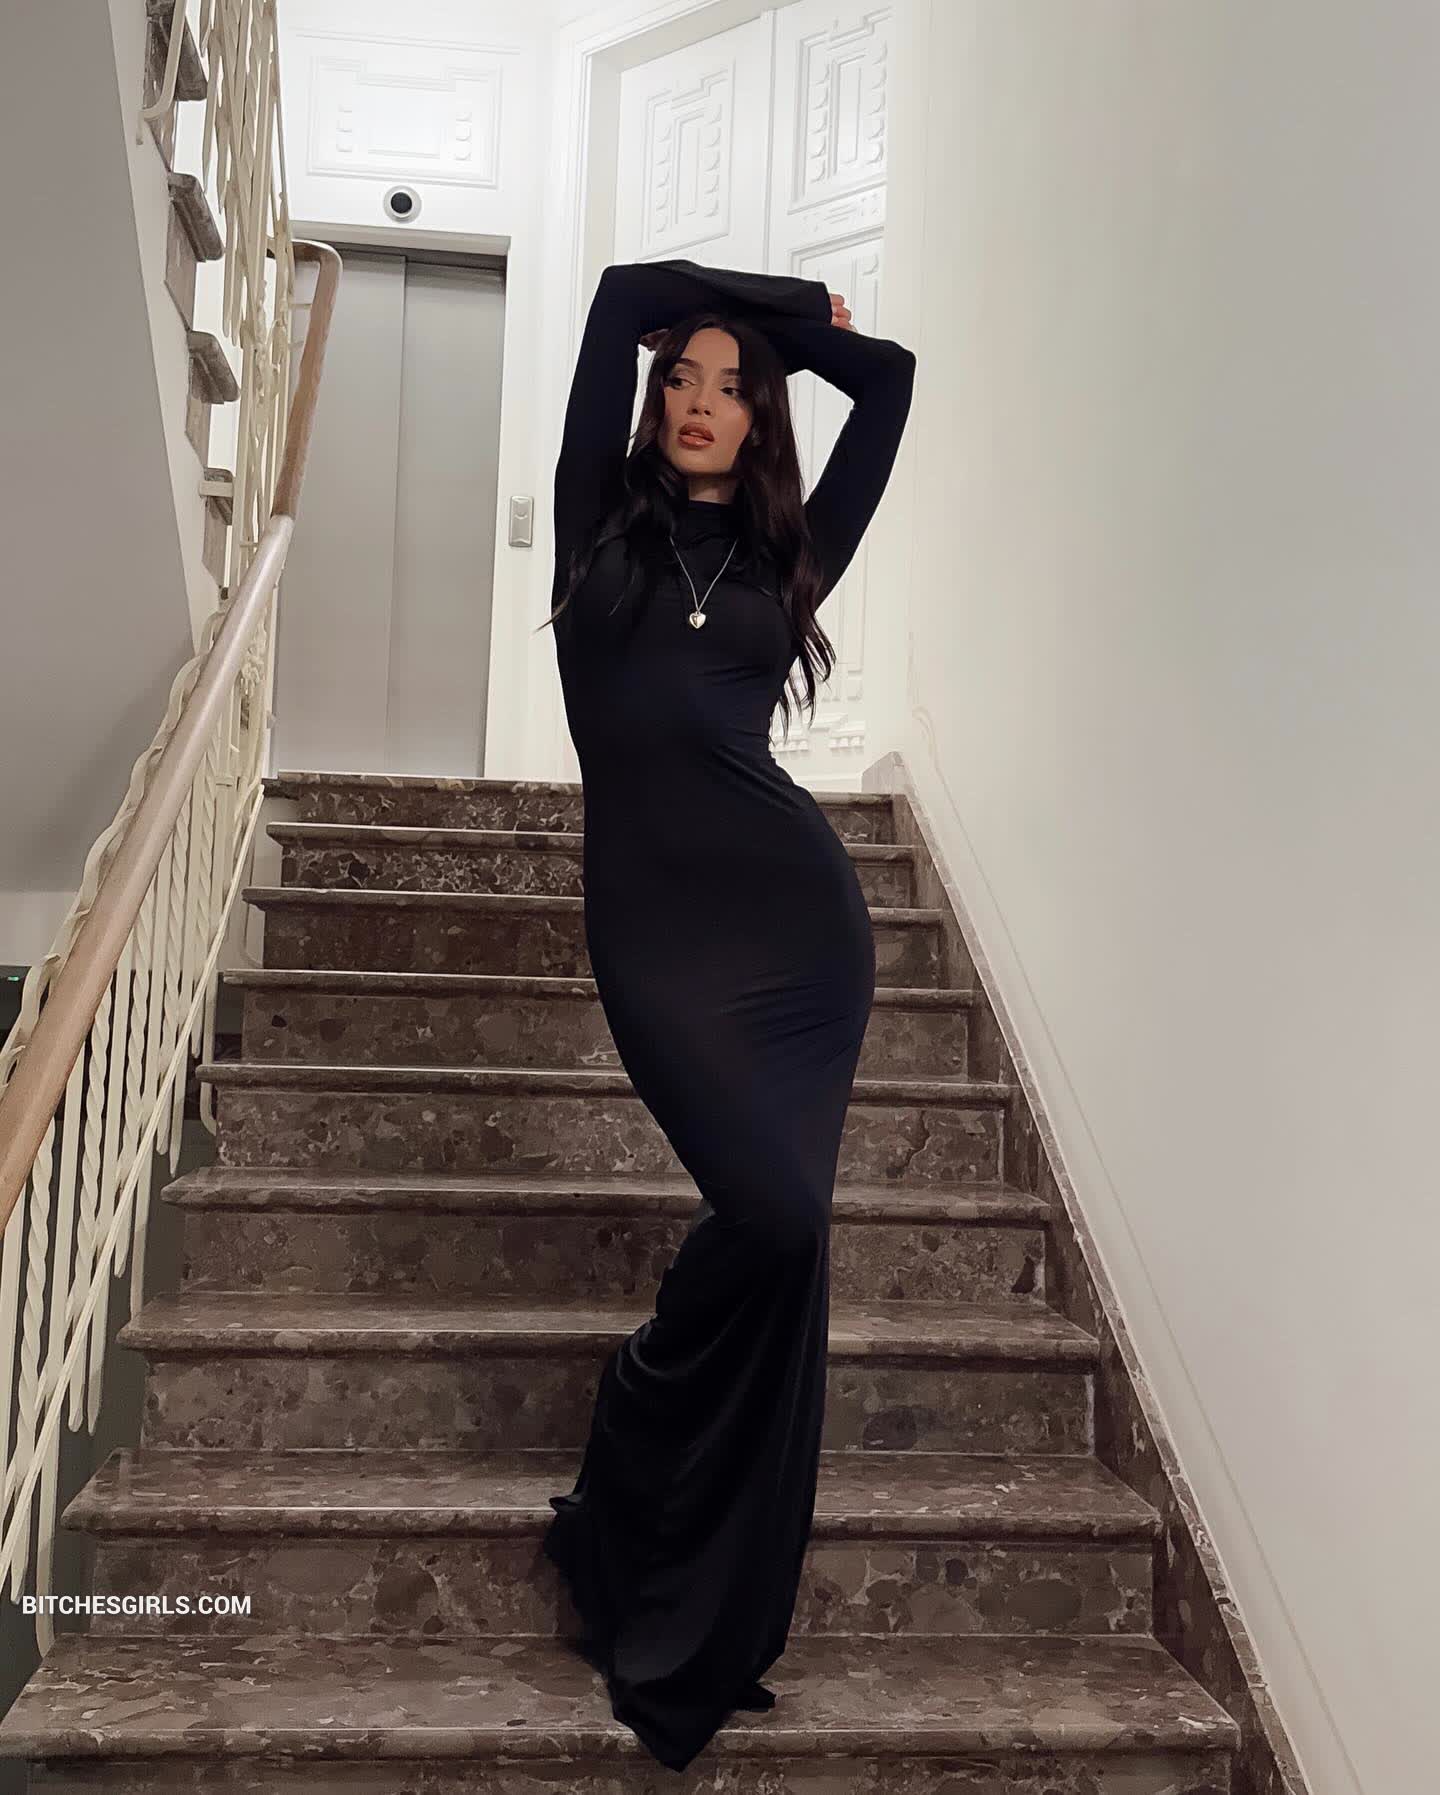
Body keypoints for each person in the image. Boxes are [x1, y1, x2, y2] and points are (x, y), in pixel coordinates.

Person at [539, 256, 916, 1771]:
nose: (702, 401)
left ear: (761, 416)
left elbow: (889, 384)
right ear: (651, 402)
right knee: (770, 1218)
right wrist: (768, 301)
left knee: (788, 1235)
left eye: (731, 387)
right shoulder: (594, 521)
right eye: (682, 379)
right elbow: (618, 293)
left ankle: (702, 1590)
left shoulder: (786, 554)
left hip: (799, 934)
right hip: (655, 936)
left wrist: (791, 343)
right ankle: (642, 1435)